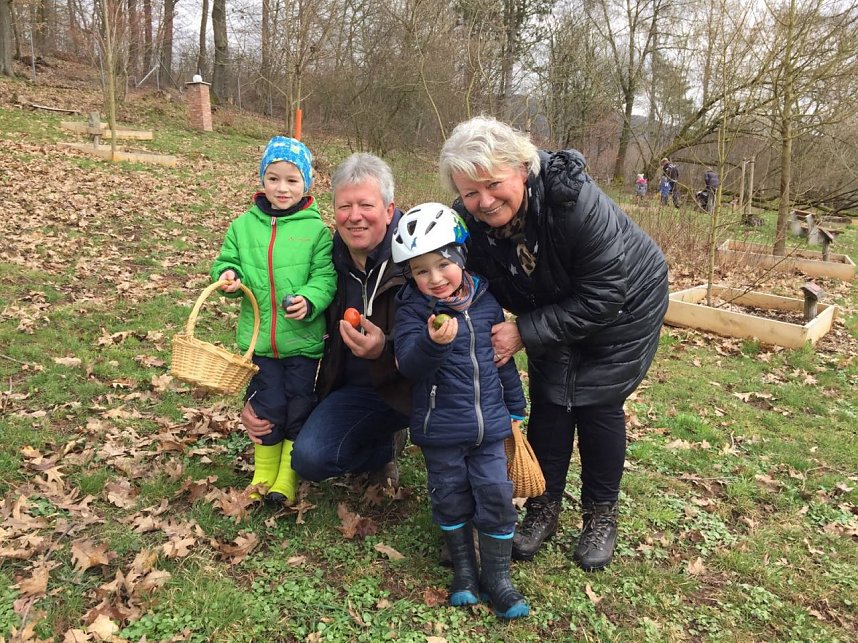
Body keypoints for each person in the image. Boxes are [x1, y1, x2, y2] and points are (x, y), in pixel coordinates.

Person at [439, 116, 669, 572]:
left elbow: (605, 293)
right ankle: (544, 506)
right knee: (550, 399)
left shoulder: (573, 200)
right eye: (470, 192)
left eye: (493, 183)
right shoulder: (469, 222)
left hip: (626, 302)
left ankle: (601, 515)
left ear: (522, 168)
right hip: (553, 299)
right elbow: (446, 269)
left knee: (596, 404)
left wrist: (525, 330)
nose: (483, 201)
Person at [392, 203, 529, 619]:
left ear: (461, 256)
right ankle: (465, 573)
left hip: (489, 428)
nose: (434, 279)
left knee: (496, 495)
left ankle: (498, 578)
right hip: (441, 430)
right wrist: (433, 343)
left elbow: (500, 361)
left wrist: (516, 409)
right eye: (420, 271)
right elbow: (408, 365)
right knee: (449, 497)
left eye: (442, 264)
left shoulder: (487, 304)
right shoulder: (414, 310)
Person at [240, 153, 411, 486]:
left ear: (389, 211)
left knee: (447, 429)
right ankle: (382, 448)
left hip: (414, 387)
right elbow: (276, 327)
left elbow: (445, 335)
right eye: (345, 207)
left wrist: (384, 349)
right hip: (353, 390)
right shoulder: (323, 260)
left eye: (366, 206)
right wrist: (254, 396)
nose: (354, 217)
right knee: (308, 459)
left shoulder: (415, 259)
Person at [211, 136, 337, 504]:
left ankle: (287, 476)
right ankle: (263, 471)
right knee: (266, 405)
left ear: (307, 184)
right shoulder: (243, 226)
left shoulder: (315, 231)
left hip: (302, 343)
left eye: (292, 180)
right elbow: (225, 262)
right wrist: (228, 276)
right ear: (262, 180)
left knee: (298, 404)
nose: (282, 188)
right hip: (259, 340)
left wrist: (310, 300)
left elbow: (325, 277)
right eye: (274, 178)